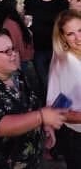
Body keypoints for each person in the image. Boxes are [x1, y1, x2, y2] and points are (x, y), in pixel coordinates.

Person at [0, 29, 66, 167]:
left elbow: (30, 104)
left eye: (13, 49)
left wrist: (44, 126)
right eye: (7, 51)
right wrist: (41, 117)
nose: (14, 55)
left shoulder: (15, 75)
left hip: (27, 159)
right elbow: (0, 127)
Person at [47, 12, 81, 167]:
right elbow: (60, 109)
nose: (78, 38)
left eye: (80, 30)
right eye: (70, 34)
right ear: (63, 37)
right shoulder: (68, 63)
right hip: (76, 136)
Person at [25, 0, 68, 93]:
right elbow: (25, 17)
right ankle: (46, 104)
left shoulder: (61, 2)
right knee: (44, 80)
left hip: (56, 48)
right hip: (37, 48)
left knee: (57, 79)